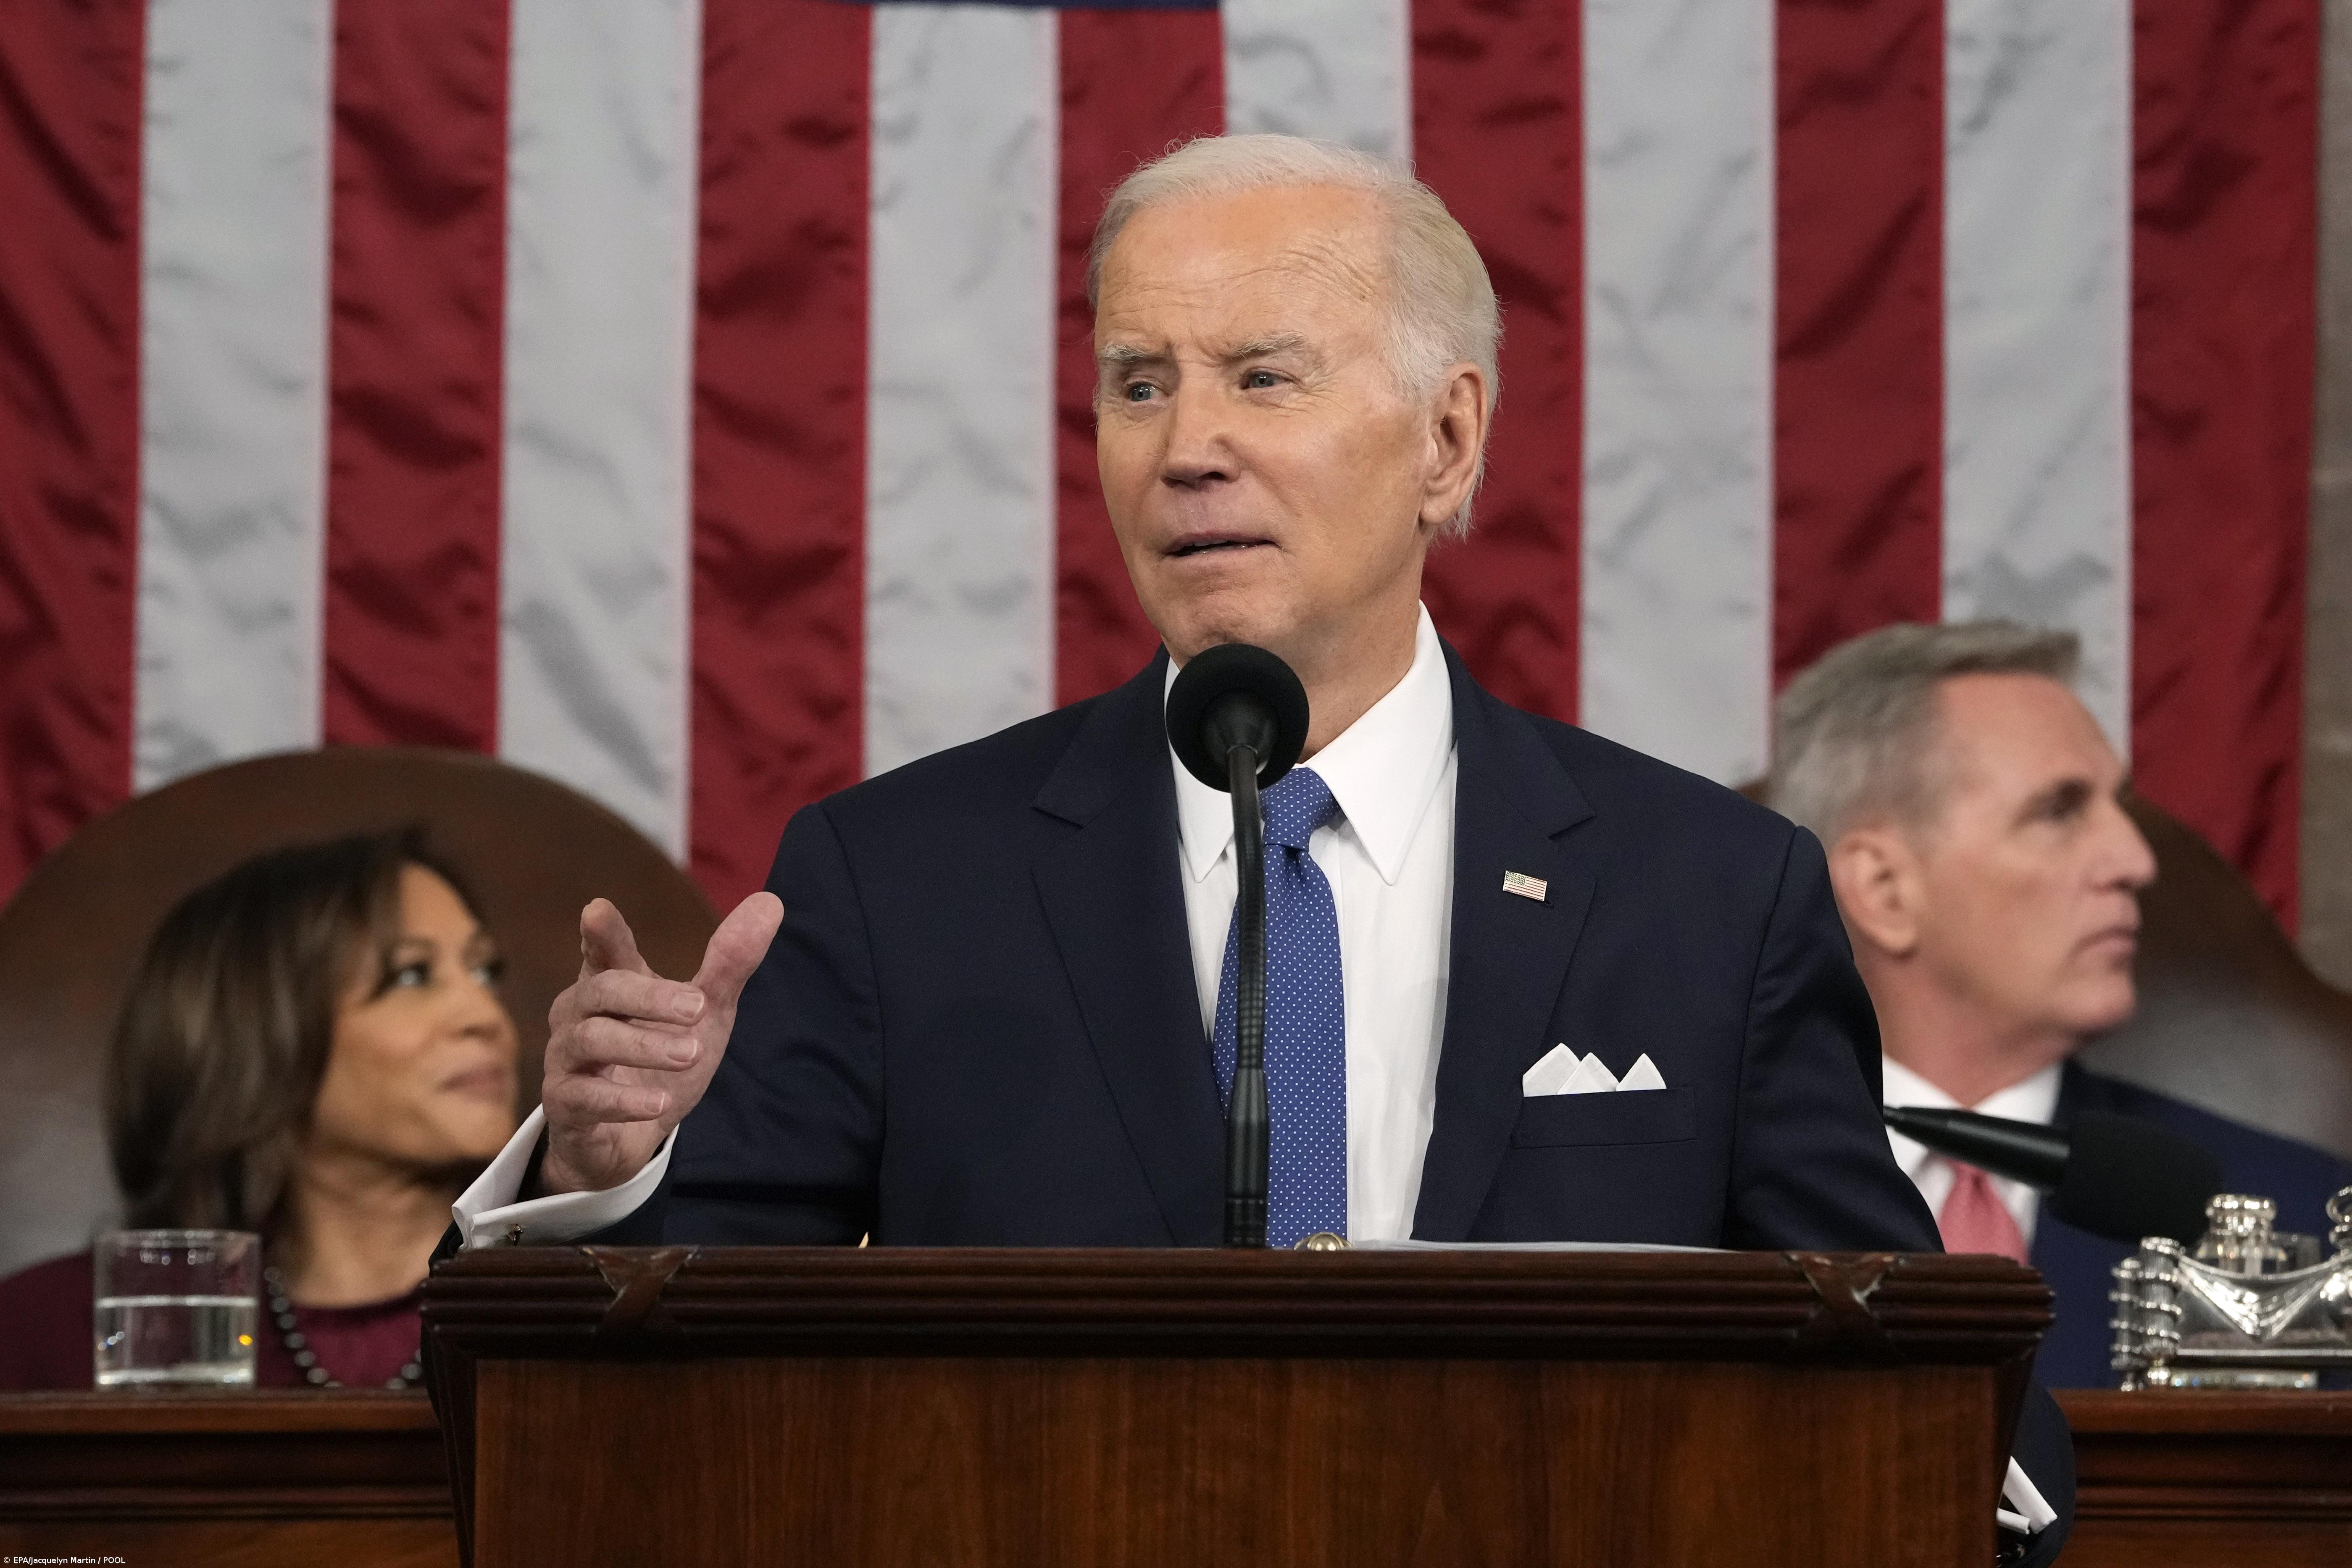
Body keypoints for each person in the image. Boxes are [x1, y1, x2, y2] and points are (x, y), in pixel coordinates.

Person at [450, 135, 2068, 1554]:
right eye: (1137, 383)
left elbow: (1938, 1395)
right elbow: (656, 1408)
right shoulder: (898, 877)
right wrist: (608, 1180)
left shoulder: (1707, 893)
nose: (1183, 445)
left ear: (1444, 441)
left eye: (1261, 376)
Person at [1768, 620, 2352, 1388]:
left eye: (2117, 808)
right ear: (1883, 890)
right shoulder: (1692, 1206)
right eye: (2059, 811)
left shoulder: (2301, 1222)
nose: (2135, 861)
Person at [0, 829, 521, 1390]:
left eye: (483, 971)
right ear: (257, 1032)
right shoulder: (47, 1332)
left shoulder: (575, 1307)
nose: (485, 1015)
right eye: (412, 975)